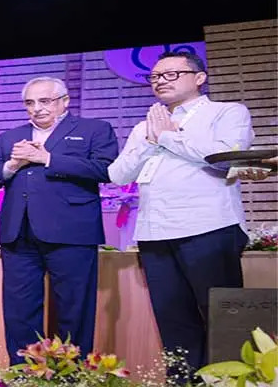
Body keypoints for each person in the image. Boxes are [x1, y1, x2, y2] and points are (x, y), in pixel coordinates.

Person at [108, 51, 253, 373]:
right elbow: (117, 175)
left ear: (199, 78)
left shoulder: (227, 112)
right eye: (155, 76)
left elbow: (224, 158)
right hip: (154, 232)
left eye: (171, 74)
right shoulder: (144, 126)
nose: (160, 81)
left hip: (209, 227)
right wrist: (150, 141)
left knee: (223, 318)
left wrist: (167, 137)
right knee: (174, 322)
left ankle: (233, 381)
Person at [0, 76, 119, 363]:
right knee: (19, 309)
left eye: (45, 101)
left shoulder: (94, 129)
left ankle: (71, 374)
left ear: (65, 101)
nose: (37, 108)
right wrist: (12, 165)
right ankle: (24, 372)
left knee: (73, 307)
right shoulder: (9, 136)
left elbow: (107, 170)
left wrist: (47, 159)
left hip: (72, 232)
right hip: (18, 234)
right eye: (30, 102)